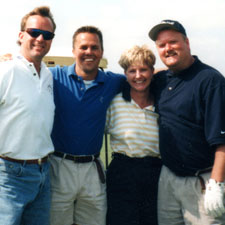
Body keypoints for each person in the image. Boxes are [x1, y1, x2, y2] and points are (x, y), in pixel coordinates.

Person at [148, 19, 225, 224]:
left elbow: (222, 139)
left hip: (202, 182)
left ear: (187, 42)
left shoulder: (210, 80)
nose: (168, 49)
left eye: (173, 42)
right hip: (168, 180)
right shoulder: (162, 80)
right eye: (162, 45)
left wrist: (216, 184)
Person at [49, 26, 126, 225]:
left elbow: (144, 77)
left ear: (101, 51)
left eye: (94, 47)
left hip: (93, 170)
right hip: (59, 167)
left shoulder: (113, 82)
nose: (89, 52)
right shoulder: (54, 76)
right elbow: (27, 68)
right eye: (83, 47)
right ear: (73, 51)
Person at [0, 6, 56, 225]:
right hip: (9, 176)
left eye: (47, 35)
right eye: (34, 32)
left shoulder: (49, 75)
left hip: (43, 174)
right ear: (21, 35)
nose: (40, 38)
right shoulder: (6, 71)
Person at [105, 45, 162, 225]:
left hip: (156, 173)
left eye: (144, 69)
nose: (138, 76)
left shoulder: (162, 103)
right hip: (123, 173)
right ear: (125, 74)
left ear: (152, 72)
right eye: (132, 71)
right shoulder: (115, 103)